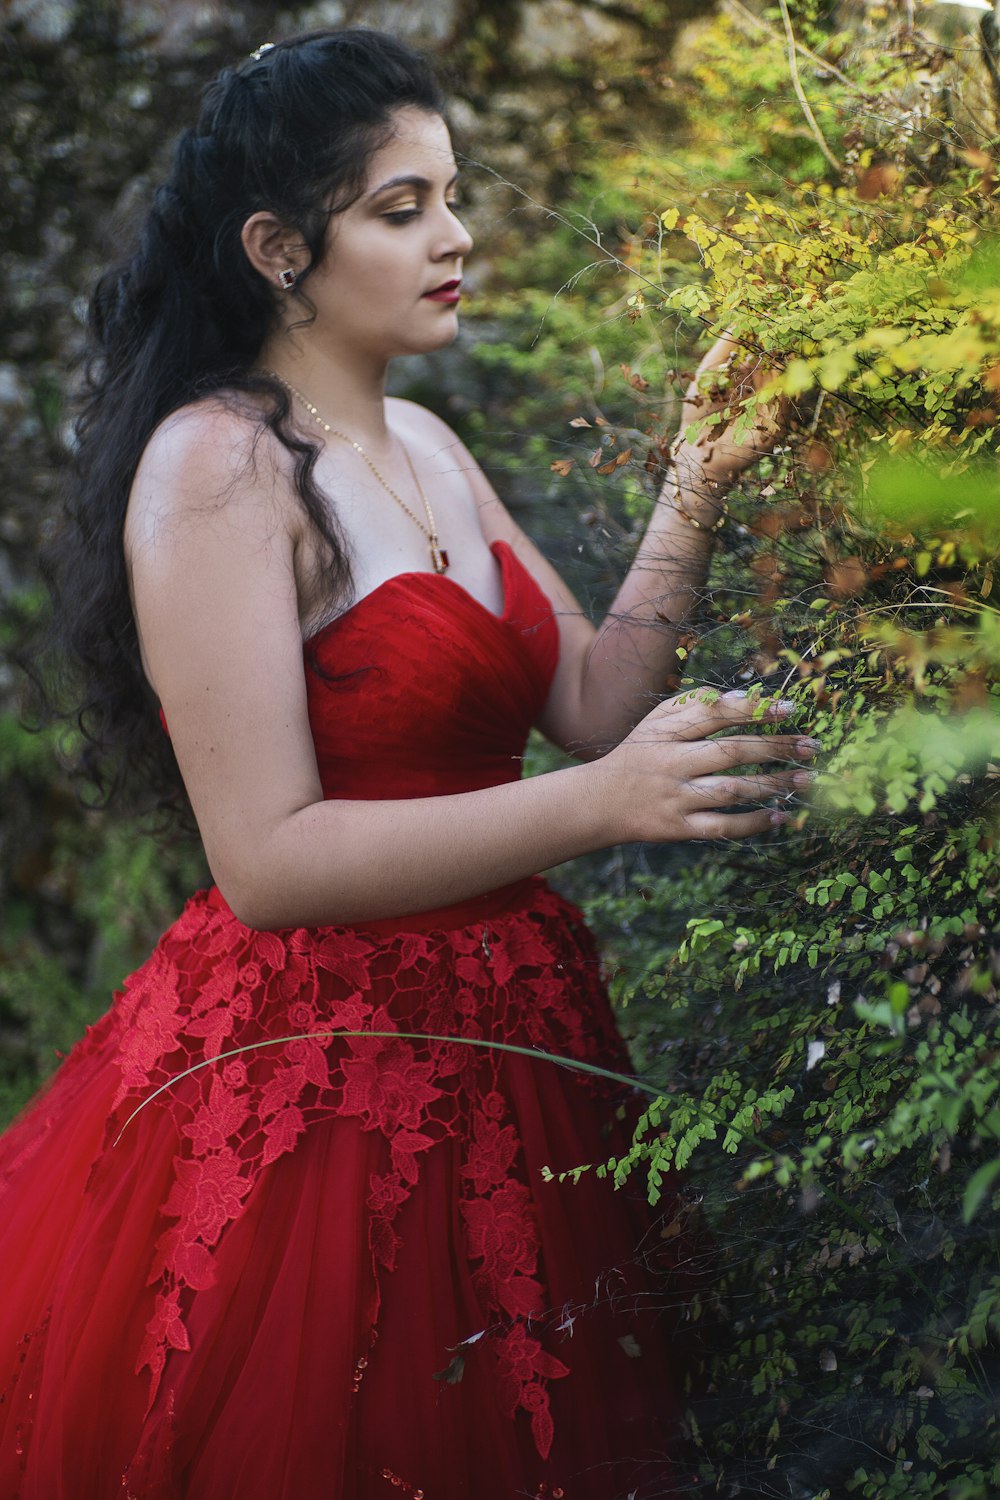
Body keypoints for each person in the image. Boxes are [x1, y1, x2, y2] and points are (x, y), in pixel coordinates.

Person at [0, 28, 814, 1500]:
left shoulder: (428, 442)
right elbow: (265, 860)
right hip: (326, 1079)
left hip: (519, 1030)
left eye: (452, 195)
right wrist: (601, 808)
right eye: (402, 207)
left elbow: (591, 695)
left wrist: (697, 484)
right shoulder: (217, 467)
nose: (457, 236)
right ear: (277, 249)